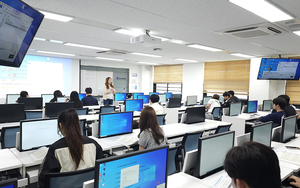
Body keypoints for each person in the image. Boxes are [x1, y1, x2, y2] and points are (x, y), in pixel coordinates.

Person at [38, 109, 103, 187]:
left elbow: (46, 178)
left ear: (61, 126)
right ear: (78, 124)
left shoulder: (55, 149)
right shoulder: (94, 144)